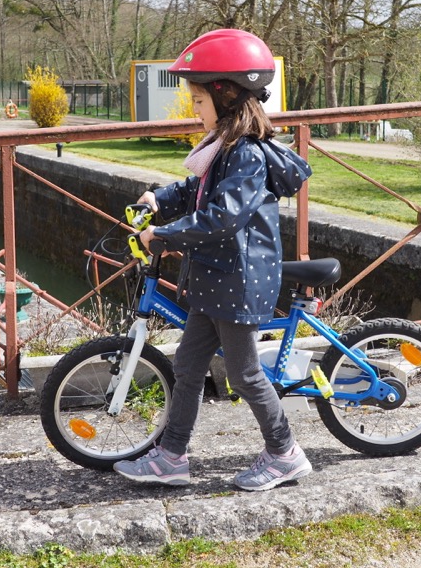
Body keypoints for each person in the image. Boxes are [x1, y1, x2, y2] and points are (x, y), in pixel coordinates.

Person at [113, 28, 313, 491]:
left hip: (238, 281)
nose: (194, 109)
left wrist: (161, 233)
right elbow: (194, 191)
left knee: (244, 375)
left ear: (225, 97)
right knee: (188, 365)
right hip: (213, 279)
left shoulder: (247, 155)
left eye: (199, 100)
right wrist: (157, 198)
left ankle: (285, 453)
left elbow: (221, 218)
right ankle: (171, 457)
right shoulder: (222, 146)